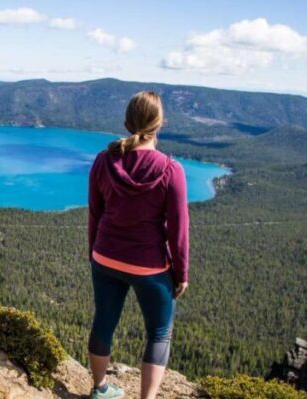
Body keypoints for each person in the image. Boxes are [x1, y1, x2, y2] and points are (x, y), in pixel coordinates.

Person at [86, 91, 190, 399]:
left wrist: (94, 252)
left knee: (104, 320)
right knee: (159, 332)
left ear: (126, 121)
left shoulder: (104, 160)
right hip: (149, 264)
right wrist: (181, 273)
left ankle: (100, 389)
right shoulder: (171, 170)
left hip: (105, 257)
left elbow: (95, 212)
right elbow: (179, 230)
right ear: (160, 124)